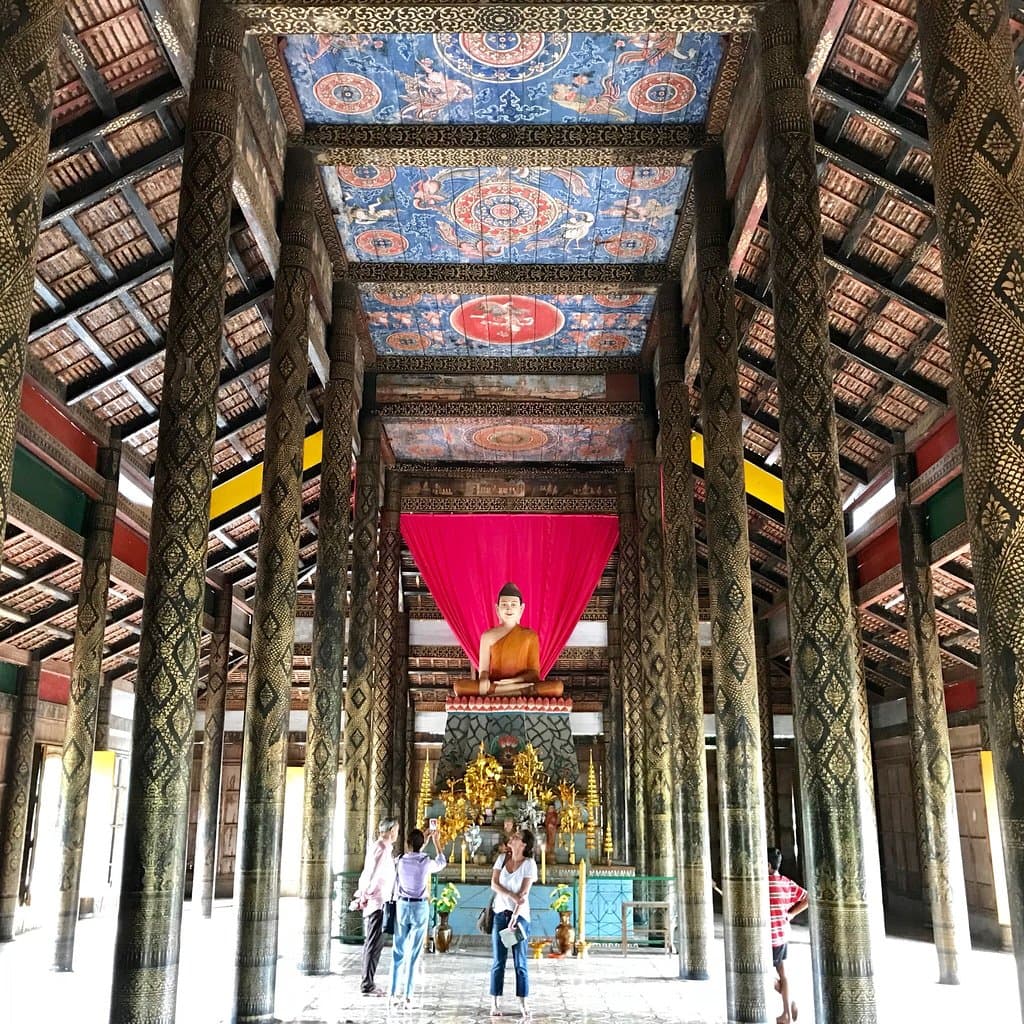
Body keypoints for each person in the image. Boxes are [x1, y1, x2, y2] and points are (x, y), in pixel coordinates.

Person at [453, 583, 564, 697]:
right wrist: (484, 679)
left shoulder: (530, 636)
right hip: (495, 685)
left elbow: (534, 674)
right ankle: (514, 693)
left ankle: (503, 693)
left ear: (521, 609)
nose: (508, 608)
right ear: (497, 609)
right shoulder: (487, 636)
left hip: (521, 684)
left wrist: (514, 681)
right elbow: (483, 671)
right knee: (459, 686)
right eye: (504, 604)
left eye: (513, 604)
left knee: (557, 687)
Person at [389, 827, 447, 1011]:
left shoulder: (400, 860)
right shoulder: (425, 862)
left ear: (408, 844)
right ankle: (408, 996)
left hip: (402, 906)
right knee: (414, 954)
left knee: (398, 951)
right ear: (422, 844)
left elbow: (410, 855)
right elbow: (442, 862)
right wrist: (436, 842)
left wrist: (420, 843)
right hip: (420, 907)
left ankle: (392, 994)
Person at [490, 828, 538, 1019]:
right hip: (500, 914)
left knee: (520, 962)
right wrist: (510, 895)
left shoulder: (529, 864)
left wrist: (515, 916)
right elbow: (494, 884)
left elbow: (524, 894)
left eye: (517, 837)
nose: (512, 838)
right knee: (498, 961)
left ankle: (523, 1002)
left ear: (524, 844)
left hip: (520, 918)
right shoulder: (502, 859)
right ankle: (495, 1001)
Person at [352, 818, 398, 996]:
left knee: (374, 943)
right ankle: (367, 984)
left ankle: (368, 982)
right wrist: (365, 895)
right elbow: (373, 874)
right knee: (373, 943)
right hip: (377, 902)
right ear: (392, 830)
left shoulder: (381, 847)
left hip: (378, 900)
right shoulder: (382, 848)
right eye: (396, 830)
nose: (397, 834)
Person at [768, 847, 808, 1024]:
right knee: (783, 974)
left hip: (769, 938)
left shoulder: (763, 885)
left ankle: (789, 1007)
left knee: (761, 975)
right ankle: (787, 1012)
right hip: (782, 936)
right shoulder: (786, 883)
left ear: (768, 865)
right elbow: (807, 898)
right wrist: (791, 914)